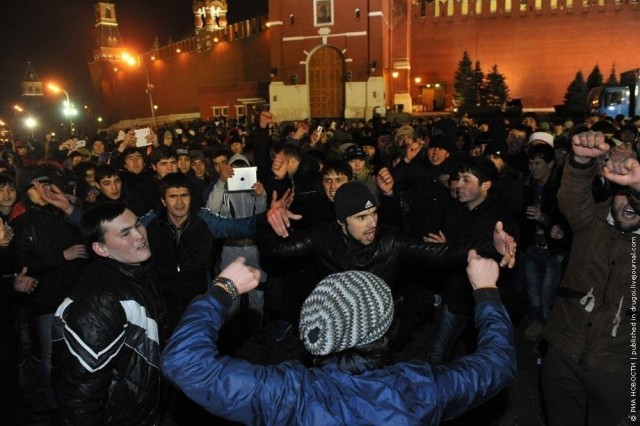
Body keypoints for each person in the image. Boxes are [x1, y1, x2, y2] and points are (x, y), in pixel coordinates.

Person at [161, 253, 516, 424]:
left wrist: (223, 289)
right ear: (385, 332)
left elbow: (182, 362)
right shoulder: (419, 388)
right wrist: (485, 290)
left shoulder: (286, 394)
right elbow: (498, 364)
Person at [541, 131, 635, 425]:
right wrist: (581, 160)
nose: (629, 203)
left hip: (620, 370)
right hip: (563, 354)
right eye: (623, 192)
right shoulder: (590, 219)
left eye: (636, 192)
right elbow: (571, 196)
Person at [52, 202, 165, 425]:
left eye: (138, 225)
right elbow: (81, 395)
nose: (140, 235)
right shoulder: (99, 301)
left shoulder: (136, 270)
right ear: (101, 249)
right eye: (125, 232)